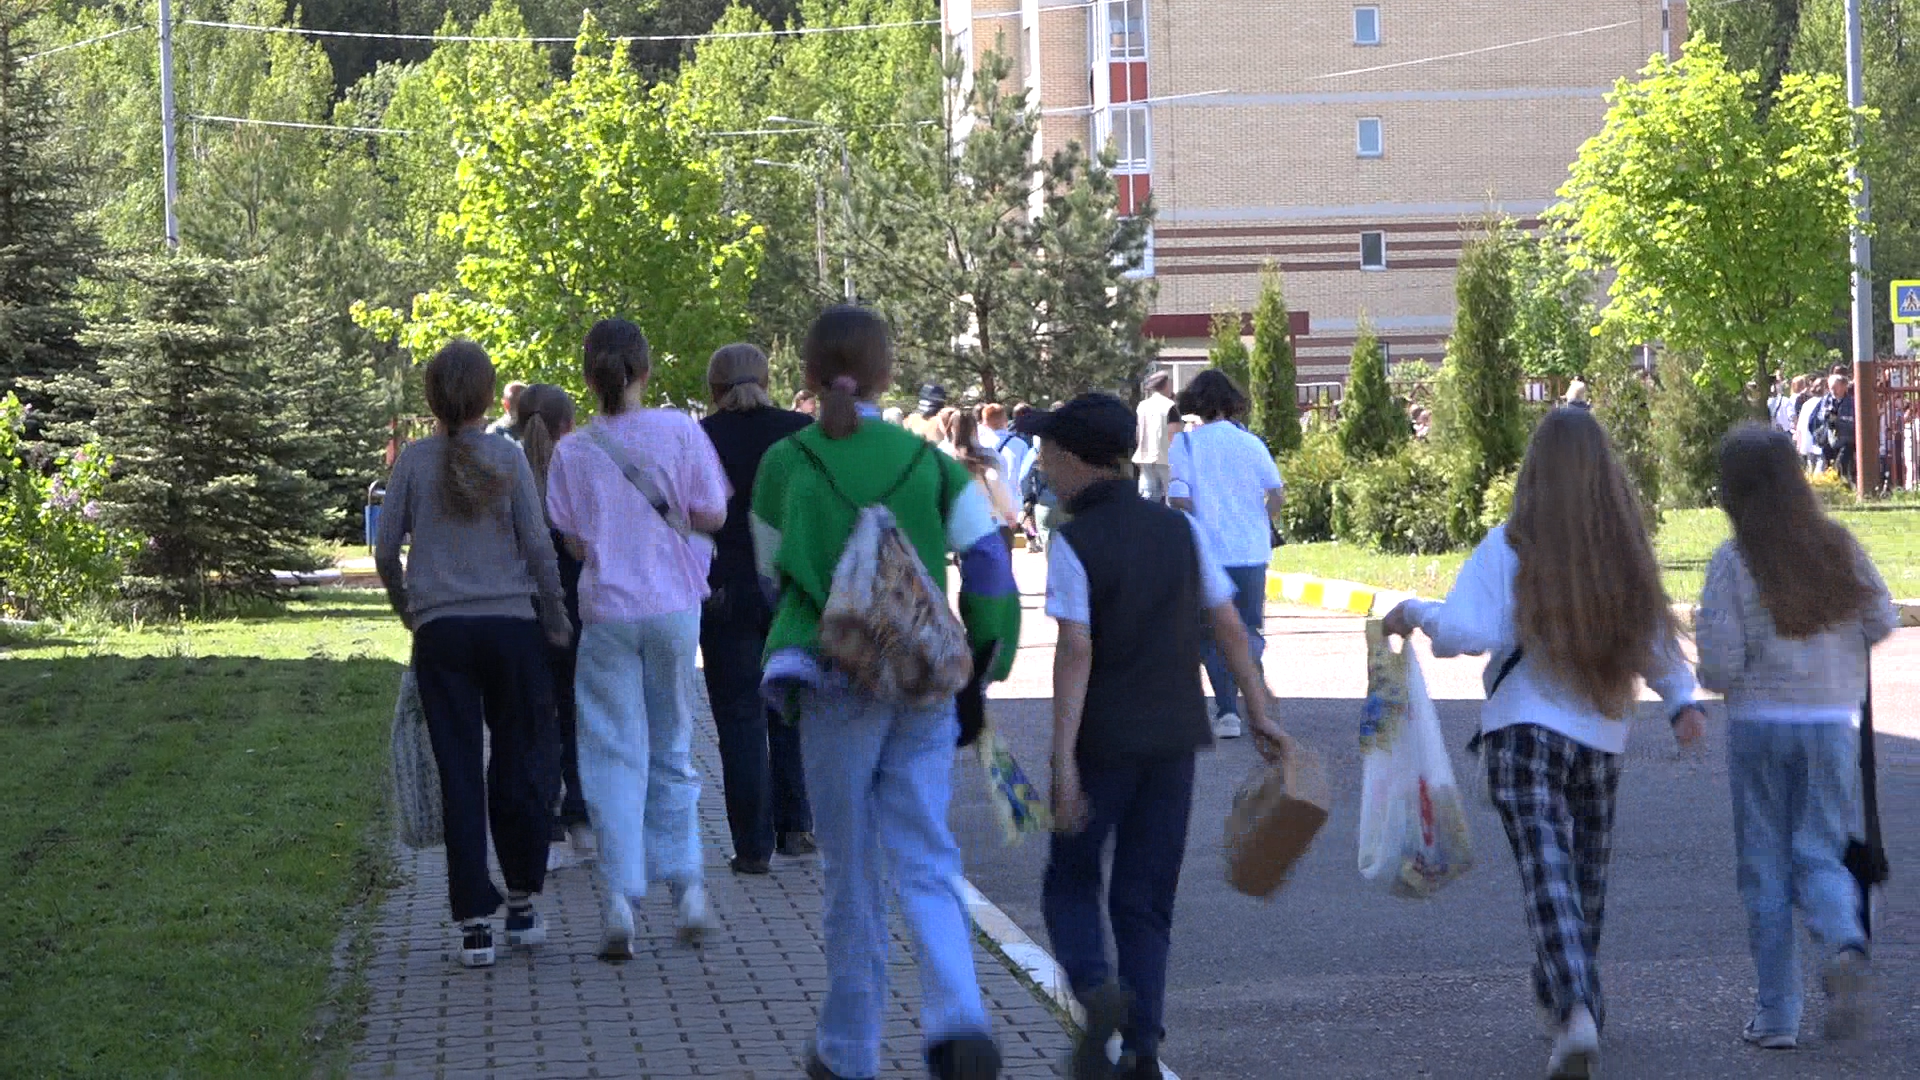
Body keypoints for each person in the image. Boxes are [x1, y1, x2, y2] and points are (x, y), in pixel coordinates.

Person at [1381, 407, 1706, 1080]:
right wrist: (1680, 703)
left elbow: (1464, 631)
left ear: (1534, 472)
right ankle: (1573, 1002)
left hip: (1522, 733)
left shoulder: (1510, 545)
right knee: (1583, 880)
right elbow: (1654, 640)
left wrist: (1414, 612)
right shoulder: (1620, 554)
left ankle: (1575, 1007)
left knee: (1546, 873)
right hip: (1601, 739)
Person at [752, 306, 1020, 1080]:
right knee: (928, 854)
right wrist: (982, 661)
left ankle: (848, 1051)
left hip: (833, 682)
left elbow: (770, 578)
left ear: (806, 374)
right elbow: (992, 571)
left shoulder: (785, 464)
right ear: (886, 373)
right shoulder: (930, 463)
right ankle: (959, 1021)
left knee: (850, 872)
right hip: (923, 683)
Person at [1035, 393, 1286, 1080]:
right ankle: (1144, 1048)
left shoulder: (1073, 541)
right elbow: (1229, 624)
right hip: (1176, 740)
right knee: (1146, 898)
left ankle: (1096, 990)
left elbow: (1076, 651)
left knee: (1070, 880)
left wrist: (1063, 765)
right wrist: (1259, 710)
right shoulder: (1180, 533)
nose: (1042, 462)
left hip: (1104, 742)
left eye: (1049, 450)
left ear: (1077, 457)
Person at [1695, 424, 1895, 1050]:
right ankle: (1843, 944)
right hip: (1832, 724)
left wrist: (1709, 671)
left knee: (1764, 867)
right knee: (1820, 851)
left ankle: (1777, 1013)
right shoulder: (1838, 547)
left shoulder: (1734, 560)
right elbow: (1883, 619)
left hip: (1759, 727)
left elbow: (1721, 664)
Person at [375, 342, 570, 968]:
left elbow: (384, 552)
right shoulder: (508, 458)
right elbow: (539, 549)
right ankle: (522, 902)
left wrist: (411, 610)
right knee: (521, 762)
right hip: (512, 629)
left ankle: (473, 924)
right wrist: (557, 618)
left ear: (432, 397)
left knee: (459, 772)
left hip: (443, 636)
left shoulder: (412, 463)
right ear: (489, 397)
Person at [546, 318, 731, 959]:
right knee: (673, 748)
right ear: (646, 370)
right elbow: (713, 513)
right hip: (675, 609)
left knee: (612, 756)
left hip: (607, 616)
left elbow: (571, 539)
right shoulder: (681, 432)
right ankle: (689, 893)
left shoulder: (572, 450)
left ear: (589, 375)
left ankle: (621, 903)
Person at [699, 344, 816, 876]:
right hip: (788, 588)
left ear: (714, 386)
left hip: (725, 591)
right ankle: (797, 826)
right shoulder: (799, 431)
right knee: (789, 708)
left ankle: (751, 845)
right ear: (768, 379)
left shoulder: (701, 436)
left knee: (739, 718)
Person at [1167, 370, 1284, 741]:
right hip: (1251, 551)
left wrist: (1195, 524)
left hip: (1207, 553)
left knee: (1209, 632)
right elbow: (1276, 493)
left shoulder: (1185, 446)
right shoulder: (1251, 443)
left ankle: (1228, 711)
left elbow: (1178, 498)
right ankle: (1258, 698)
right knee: (1248, 627)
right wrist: (1259, 521)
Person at [514, 383, 593, 854]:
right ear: (569, 424)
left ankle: (542, 817)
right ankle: (581, 808)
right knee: (577, 710)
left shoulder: (507, 470)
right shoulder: (582, 470)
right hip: (579, 607)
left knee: (532, 716)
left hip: (524, 611)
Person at [945, 410, 1020, 535]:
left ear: (950, 429)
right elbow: (999, 486)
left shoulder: (942, 457)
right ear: (975, 429)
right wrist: (1010, 514)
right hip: (989, 524)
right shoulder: (989, 456)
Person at [1132, 372, 1181, 503]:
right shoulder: (1169, 406)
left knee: (1147, 498)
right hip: (1165, 458)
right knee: (1171, 498)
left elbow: (1138, 431)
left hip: (1145, 458)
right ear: (1166, 385)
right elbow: (1173, 433)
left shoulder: (1142, 406)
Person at [1813, 374, 1857, 483]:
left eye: (1835, 387)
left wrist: (1838, 420)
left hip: (1846, 441)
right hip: (1829, 440)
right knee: (1829, 468)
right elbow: (1818, 417)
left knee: (1842, 466)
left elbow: (1854, 422)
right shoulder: (1825, 400)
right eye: (1830, 387)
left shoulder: (1851, 402)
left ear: (1844, 386)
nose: (1832, 391)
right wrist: (1826, 417)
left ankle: (1844, 487)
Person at [1795, 387, 1826, 473]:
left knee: (1810, 469)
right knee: (1820, 471)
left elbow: (1799, 426)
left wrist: (1799, 443)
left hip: (1807, 442)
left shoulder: (1806, 404)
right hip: (1820, 442)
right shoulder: (1825, 403)